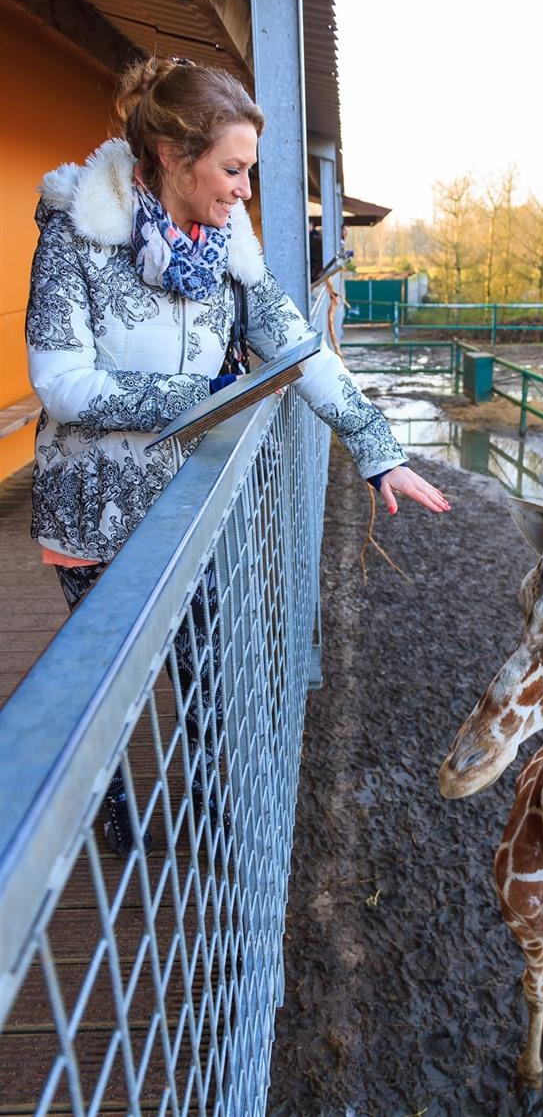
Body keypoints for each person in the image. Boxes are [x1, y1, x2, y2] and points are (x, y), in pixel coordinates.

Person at [26, 55, 449, 856]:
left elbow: (299, 350)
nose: (245, 190)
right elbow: (61, 382)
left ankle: (216, 814)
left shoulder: (228, 246)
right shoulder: (77, 229)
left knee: (205, 677)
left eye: (249, 170)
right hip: (95, 509)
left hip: (193, 503)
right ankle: (108, 806)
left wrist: (376, 448)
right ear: (173, 157)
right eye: (232, 169)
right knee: (106, 683)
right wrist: (203, 396)